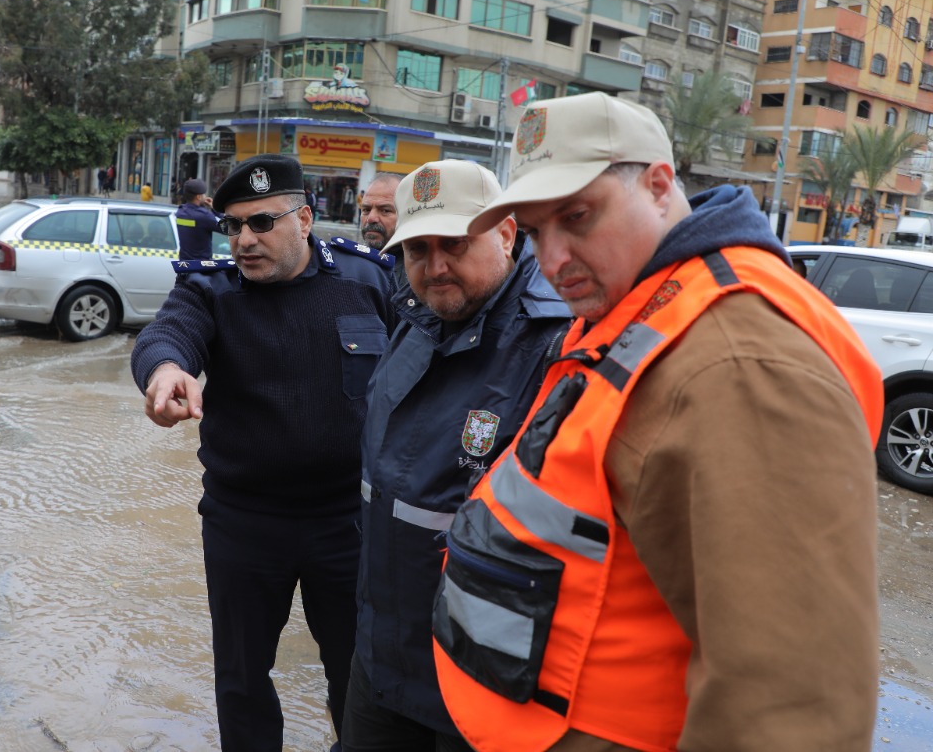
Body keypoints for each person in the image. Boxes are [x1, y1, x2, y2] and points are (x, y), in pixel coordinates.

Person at [431, 92, 884, 750]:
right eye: (533, 231)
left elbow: (791, 707)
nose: (552, 259)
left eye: (578, 216)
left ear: (659, 184)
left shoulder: (736, 361)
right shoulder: (635, 303)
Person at [130, 153, 397, 752]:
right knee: (243, 679)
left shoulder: (368, 281)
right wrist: (167, 372)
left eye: (262, 223)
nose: (244, 240)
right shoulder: (211, 290)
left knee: (358, 678)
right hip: (243, 521)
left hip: (348, 522)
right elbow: (165, 335)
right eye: (233, 226)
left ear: (305, 219)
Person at [343, 161, 571, 752]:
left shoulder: (558, 344)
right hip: (381, 659)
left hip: (482, 681)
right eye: (417, 249)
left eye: (454, 244)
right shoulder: (416, 320)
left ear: (505, 234)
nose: (435, 265)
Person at [174, 177, 222, 261]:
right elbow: (229, 229)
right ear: (199, 197)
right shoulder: (204, 216)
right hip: (201, 266)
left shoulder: (181, 212)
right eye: (204, 194)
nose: (205, 196)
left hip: (184, 265)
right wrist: (216, 209)